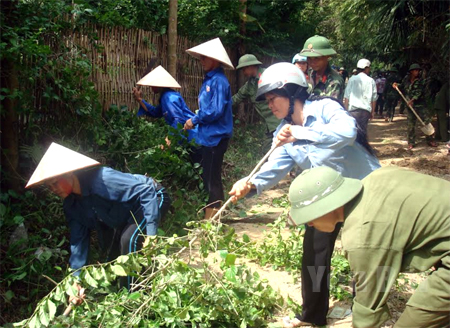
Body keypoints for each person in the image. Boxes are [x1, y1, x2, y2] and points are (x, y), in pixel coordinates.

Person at [228, 63, 380, 327]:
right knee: (314, 254)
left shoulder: (325, 108)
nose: (270, 105)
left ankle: (366, 315)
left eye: (273, 98)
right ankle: (313, 315)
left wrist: (300, 133)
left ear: (292, 93)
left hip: (363, 190)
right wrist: (249, 184)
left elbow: (347, 132)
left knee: (361, 253)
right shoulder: (282, 134)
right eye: (267, 100)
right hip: (328, 198)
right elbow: (272, 168)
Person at [287, 165, 450, 328]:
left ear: (328, 206)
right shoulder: (376, 177)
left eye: (309, 215)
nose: (309, 223)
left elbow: (368, 307)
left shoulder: (361, 236)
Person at [25, 143, 171, 298]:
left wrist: (152, 235)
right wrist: (76, 279)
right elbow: (78, 242)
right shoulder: (72, 206)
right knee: (113, 259)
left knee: (129, 240)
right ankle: (124, 292)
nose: (53, 189)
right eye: (49, 187)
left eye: (55, 183)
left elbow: (146, 191)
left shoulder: (102, 178)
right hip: (125, 213)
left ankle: (130, 299)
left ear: (69, 174)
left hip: (153, 196)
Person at [184, 38, 234, 220]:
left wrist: (194, 119)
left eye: (205, 57)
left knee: (211, 178)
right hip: (209, 137)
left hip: (216, 137)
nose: (201, 61)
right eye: (201, 58)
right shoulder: (210, 80)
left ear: (215, 60)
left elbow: (216, 110)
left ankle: (210, 219)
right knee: (210, 176)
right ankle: (215, 216)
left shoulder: (219, 81)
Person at [132, 65, 197, 144]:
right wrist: (139, 100)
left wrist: (169, 140)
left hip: (193, 137)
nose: (150, 87)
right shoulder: (165, 97)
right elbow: (155, 112)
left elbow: (178, 120)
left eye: (153, 84)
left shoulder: (169, 97)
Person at [232, 54, 281, 140]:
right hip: (268, 126)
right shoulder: (250, 84)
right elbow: (237, 97)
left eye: (244, 69)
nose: (243, 72)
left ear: (251, 66)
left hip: (279, 122)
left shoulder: (269, 75)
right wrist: (221, 105)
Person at [393, 63, 437, 149]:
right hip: (410, 106)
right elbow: (402, 86)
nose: (417, 72)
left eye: (418, 70)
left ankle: (430, 140)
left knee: (426, 122)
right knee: (410, 124)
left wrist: (412, 100)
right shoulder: (406, 79)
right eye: (415, 70)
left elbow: (419, 92)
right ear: (411, 72)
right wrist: (396, 85)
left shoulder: (420, 81)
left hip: (420, 105)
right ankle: (411, 142)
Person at [300, 35, 344, 101]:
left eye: (317, 58)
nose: (312, 62)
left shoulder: (334, 82)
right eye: (309, 58)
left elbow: (329, 108)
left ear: (327, 57)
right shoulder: (310, 73)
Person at [343, 59, 377, 138]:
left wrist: (345, 110)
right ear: (366, 68)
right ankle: (362, 148)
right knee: (363, 131)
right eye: (369, 68)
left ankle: (355, 148)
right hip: (365, 111)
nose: (369, 69)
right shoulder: (371, 81)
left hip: (353, 111)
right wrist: (372, 112)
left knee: (353, 131)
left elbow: (347, 96)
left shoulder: (352, 79)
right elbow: (374, 98)